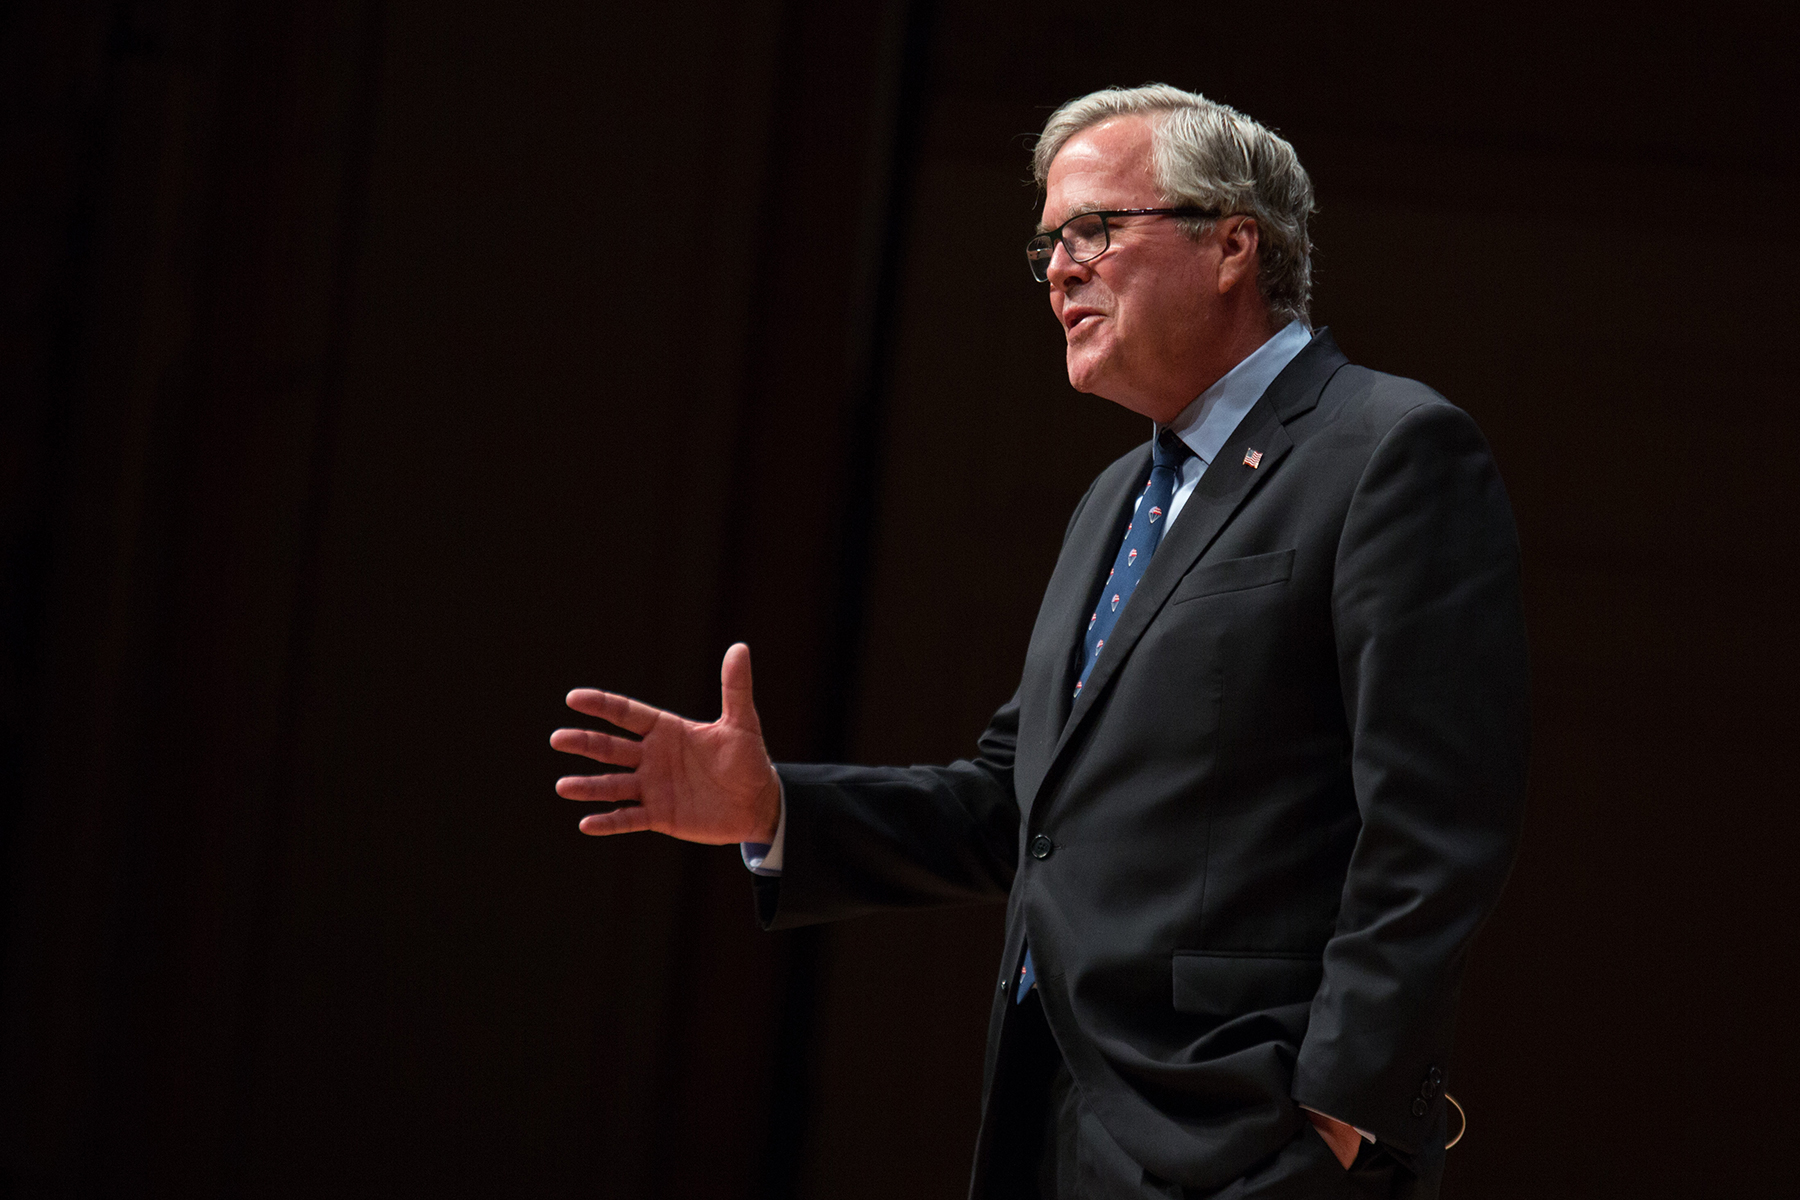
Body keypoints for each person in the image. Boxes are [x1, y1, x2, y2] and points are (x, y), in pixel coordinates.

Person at [552, 84, 1528, 1199]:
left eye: (1096, 231)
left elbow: (1436, 821)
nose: (1059, 269)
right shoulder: (1118, 498)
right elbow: (1022, 803)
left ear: (1232, 245)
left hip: (1245, 1136)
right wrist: (777, 810)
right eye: (1049, 244)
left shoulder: (1389, 450)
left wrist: (1340, 1110)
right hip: (1052, 1124)